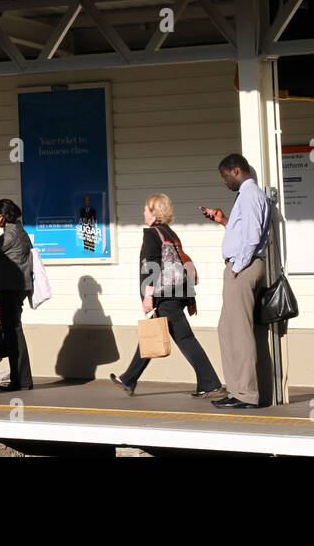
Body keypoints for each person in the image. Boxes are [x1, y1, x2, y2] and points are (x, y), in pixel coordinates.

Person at [110, 194, 223, 398]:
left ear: (154, 212)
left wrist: (147, 296)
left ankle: (210, 382)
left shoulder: (152, 234)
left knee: (185, 339)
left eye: (146, 209)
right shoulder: (171, 233)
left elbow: (150, 266)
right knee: (154, 332)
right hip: (177, 294)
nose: (143, 213)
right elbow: (184, 264)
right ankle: (129, 378)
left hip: (165, 296)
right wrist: (190, 298)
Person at [201, 153, 272, 409]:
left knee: (240, 332)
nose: (224, 182)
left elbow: (252, 237)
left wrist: (237, 267)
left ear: (235, 171)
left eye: (224, 176)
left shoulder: (251, 195)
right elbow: (244, 230)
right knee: (227, 329)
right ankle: (236, 390)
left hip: (243, 267)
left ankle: (246, 394)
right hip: (239, 266)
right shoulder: (245, 196)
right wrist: (223, 221)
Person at [0, 198, 34, 392]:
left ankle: (20, 380)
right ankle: (22, 378)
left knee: (13, 333)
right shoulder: (22, 232)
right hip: (18, 288)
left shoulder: (8, 236)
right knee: (15, 331)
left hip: (8, 288)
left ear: (1, 217)